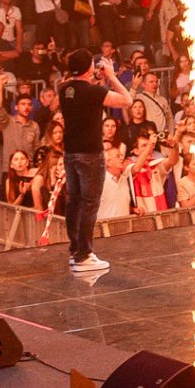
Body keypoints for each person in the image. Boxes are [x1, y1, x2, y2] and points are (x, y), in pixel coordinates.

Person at [56, 48, 133, 274]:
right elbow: (126, 100)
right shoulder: (92, 92)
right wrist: (110, 76)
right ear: (89, 67)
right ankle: (84, 255)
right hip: (90, 153)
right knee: (90, 204)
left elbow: (82, 87)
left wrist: (95, 77)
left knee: (74, 202)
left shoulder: (64, 89)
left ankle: (75, 251)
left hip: (70, 153)